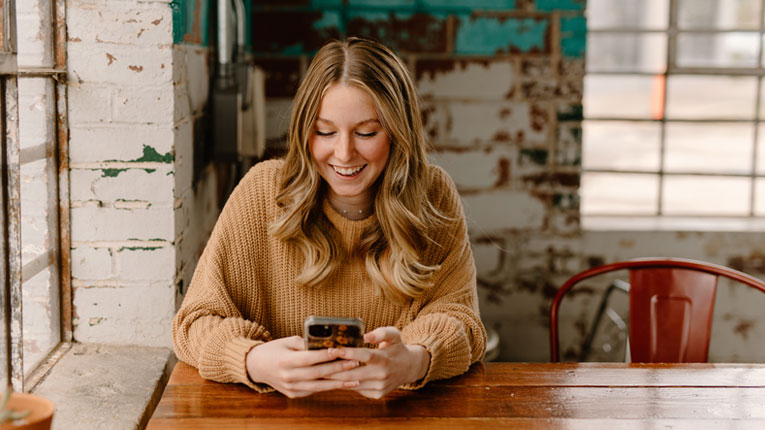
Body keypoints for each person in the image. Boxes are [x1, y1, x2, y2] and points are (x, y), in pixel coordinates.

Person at [172, 37, 486, 399]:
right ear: (305, 131)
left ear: (399, 134)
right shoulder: (261, 192)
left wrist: (414, 361)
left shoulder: (433, 194)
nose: (344, 153)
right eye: (325, 131)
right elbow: (194, 323)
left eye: (367, 132)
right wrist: (254, 360)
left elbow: (463, 322)